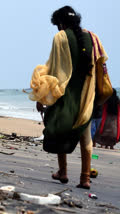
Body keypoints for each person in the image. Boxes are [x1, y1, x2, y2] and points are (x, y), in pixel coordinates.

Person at [29, 6, 108, 189]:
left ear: (61, 23)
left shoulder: (61, 37)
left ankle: (63, 172)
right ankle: (85, 178)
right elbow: (100, 66)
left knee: (59, 130)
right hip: (88, 96)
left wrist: (42, 97)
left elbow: (56, 71)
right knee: (86, 137)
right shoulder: (94, 38)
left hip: (65, 95)